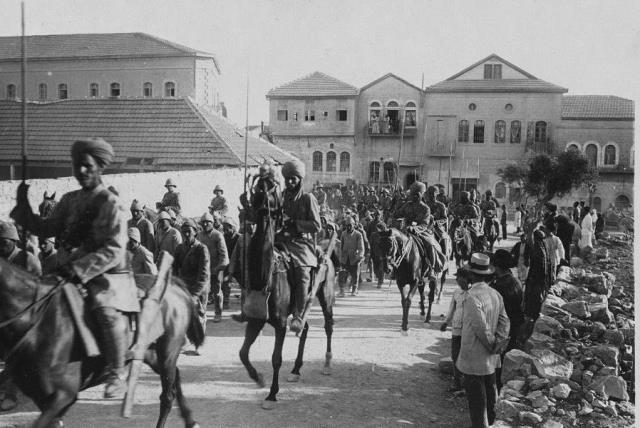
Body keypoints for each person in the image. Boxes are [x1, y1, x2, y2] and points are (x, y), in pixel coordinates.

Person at [10, 137, 139, 398]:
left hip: (106, 276)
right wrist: (24, 209)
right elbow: (47, 228)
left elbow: (114, 249)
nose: (81, 171)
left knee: (105, 312)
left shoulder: (111, 204)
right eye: (77, 165)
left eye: (87, 166)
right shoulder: (69, 200)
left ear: (99, 167)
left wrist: (80, 268)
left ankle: (116, 372)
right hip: (67, 271)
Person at [456, 253, 509, 428]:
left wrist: (491, 345)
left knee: (477, 401)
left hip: (475, 355)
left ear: (471, 274)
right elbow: (504, 321)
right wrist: (498, 343)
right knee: (491, 394)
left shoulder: (471, 296)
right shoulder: (495, 294)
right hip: (491, 358)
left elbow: (480, 328)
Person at [279, 159, 321, 333]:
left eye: (293, 179)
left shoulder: (307, 198)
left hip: (301, 243)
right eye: (287, 178)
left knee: (302, 273)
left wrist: (295, 223)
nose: (290, 182)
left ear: (300, 180)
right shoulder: (281, 197)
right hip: (281, 240)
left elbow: (316, 225)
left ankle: (298, 314)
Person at [173, 219, 210, 342]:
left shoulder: (201, 249)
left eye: (189, 231)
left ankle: (199, 342)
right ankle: (185, 341)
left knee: (198, 316)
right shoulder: (179, 248)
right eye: (184, 232)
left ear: (195, 232)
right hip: (184, 287)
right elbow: (174, 269)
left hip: (198, 288)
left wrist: (194, 295)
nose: (186, 235)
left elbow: (204, 275)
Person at [490, 250, 524, 360]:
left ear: (497, 266)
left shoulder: (499, 285)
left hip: (502, 329)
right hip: (514, 326)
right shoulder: (515, 280)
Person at [440, 266, 470, 392]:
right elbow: (452, 308)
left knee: (467, 355)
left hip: (468, 330)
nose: (456, 279)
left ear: (465, 279)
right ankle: (457, 381)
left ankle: (467, 383)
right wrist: (446, 322)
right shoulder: (456, 292)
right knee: (455, 354)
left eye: (458, 277)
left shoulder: (473, 293)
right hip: (456, 329)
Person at [198, 212, 229, 322]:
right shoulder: (200, 235)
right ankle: (202, 313)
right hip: (203, 269)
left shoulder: (218, 235)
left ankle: (218, 313)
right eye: (204, 222)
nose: (206, 224)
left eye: (208, 222)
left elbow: (224, 255)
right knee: (202, 292)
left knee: (217, 292)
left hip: (216, 268)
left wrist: (219, 268)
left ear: (212, 223)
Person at [523, 230, 554, 320]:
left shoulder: (537, 250)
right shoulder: (544, 248)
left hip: (536, 280)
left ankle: (532, 316)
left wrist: (530, 279)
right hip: (542, 280)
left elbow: (535, 267)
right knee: (538, 298)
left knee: (534, 299)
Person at [339, 216, 365, 296]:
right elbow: (341, 246)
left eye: (350, 225)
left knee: (355, 275)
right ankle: (342, 290)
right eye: (347, 225)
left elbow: (361, 248)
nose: (349, 227)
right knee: (342, 274)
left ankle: (354, 289)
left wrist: (359, 257)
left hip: (354, 258)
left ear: (354, 225)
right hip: (345, 258)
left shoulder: (358, 234)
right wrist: (340, 257)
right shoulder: (343, 234)